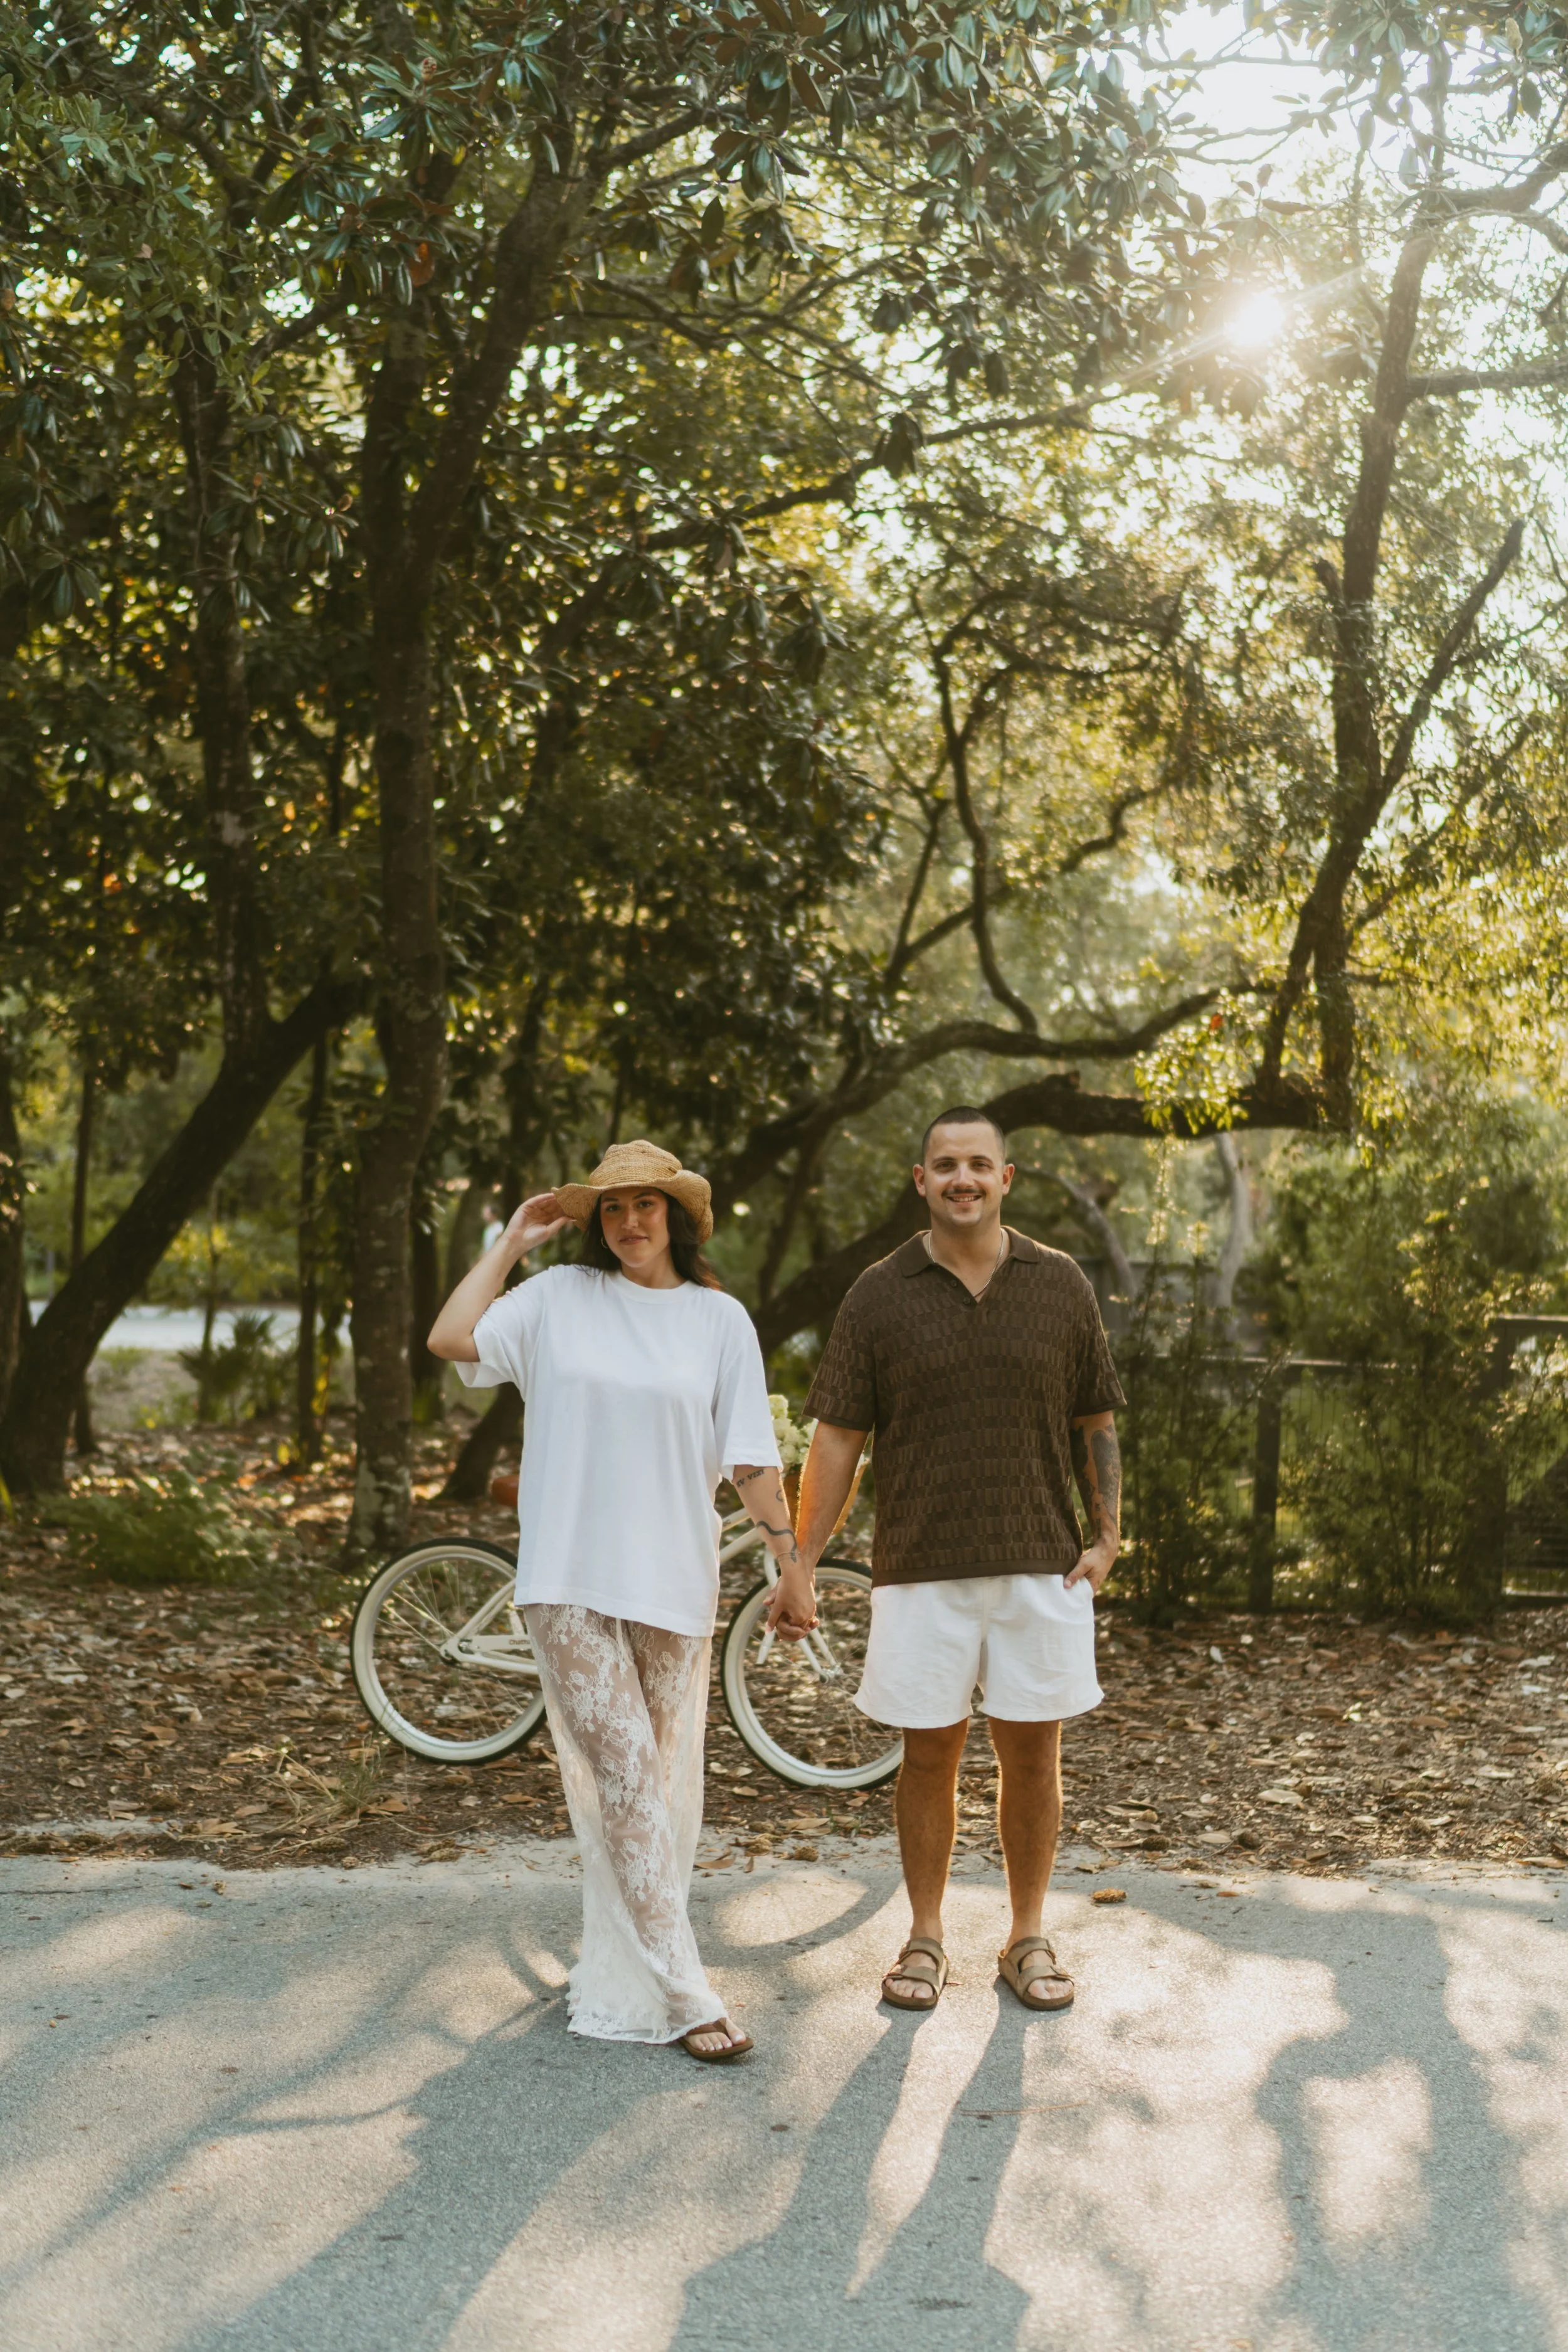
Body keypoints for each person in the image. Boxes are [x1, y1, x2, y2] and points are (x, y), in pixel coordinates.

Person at [428, 1139, 812, 2063]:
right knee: (633, 1774)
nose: (630, 1221)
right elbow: (450, 1339)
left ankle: (624, 1963)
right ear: (594, 1221)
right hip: (567, 1576)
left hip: (673, 1580)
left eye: (646, 1204)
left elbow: (751, 1458)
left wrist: (791, 1564)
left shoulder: (719, 1320)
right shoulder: (559, 1299)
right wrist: (511, 1241)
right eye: (611, 1207)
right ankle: (686, 1991)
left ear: (676, 1216)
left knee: (653, 1787)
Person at [768, 1107, 1123, 2013]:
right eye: (945, 1164)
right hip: (920, 1566)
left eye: (978, 1163)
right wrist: (802, 1559)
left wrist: (1107, 1534)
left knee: (1032, 1756)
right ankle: (925, 1937)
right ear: (921, 1180)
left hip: (1039, 1564)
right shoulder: (878, 1294)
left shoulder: (1061, 1282)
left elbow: (1095, 1417)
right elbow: (838, 1438)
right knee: (927, 1758)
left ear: (1006, 1177)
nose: (963, 1178)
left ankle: (1027, 1936)